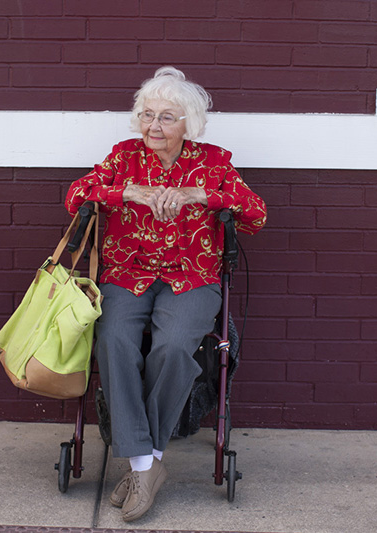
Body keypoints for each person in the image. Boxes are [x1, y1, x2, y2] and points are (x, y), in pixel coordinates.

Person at [65, 66, 266, 522]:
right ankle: (146, 464)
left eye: (167, 117)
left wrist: (203, 195)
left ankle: (143, 460)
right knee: (113, 340)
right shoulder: (124, 158)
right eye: (147, 115)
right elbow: (77, 196)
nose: (154, 126)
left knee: (175, 347)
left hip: (192, 277)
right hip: (127, 274)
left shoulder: (213, 163)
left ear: (188, 124)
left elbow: (256, 214)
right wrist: (126, 193)